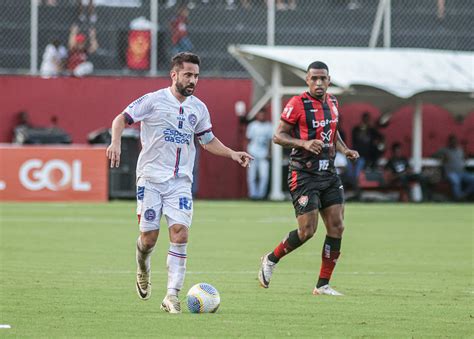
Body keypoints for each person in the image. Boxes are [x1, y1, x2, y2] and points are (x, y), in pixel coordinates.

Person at [106, 52, 253, 314]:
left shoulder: (199, 108)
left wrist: (232, 153)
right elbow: (121, 119)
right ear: (174, 75)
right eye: (188, 74)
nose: (193, 80)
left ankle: (171, 295)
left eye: (196, 75)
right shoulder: (153, 101)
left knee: (180, 233)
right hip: (150, 179)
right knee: (149, 239)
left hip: (180, 183)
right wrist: (115, 141)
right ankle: (142, 265)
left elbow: (207, 141)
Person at [257, 61, 359, 296]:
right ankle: (271, 259)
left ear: (329, 80)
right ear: (307, 80)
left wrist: (345, 150)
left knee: (337, 226)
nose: (319, 83)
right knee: (307, 231)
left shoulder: (333, 102)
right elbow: (278, 136)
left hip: (329, 173)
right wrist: (303, 143)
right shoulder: (297, 104)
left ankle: (322, 285)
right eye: (314, 79)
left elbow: (332, 132)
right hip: (303, 174)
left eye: (323, 78)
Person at [346, 112, 381, 198]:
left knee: (357, 173)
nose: (366, 121)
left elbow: (379, 138)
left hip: (365, 157)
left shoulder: (371, 130)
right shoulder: (356, 129)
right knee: (350, 173)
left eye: (367, 119)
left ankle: (357, 192)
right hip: (355, 155)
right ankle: (354, 189)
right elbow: (353, 142)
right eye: (365, 119)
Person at [433, 134, 474, 201]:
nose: (454, 143)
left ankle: (464, 195)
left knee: (472, 179)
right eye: (452, 141)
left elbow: (464, 158)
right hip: (450, 173)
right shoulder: (444, 150)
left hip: (462, 173)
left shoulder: (460, 150)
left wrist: (465, 158)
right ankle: (458, 197)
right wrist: (441, 157)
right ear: (449, 142)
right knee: (455, 181)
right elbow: (433, 155)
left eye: (455, 141)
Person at [246, 109, 273, 200]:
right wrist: (246, 153)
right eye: (260, 114)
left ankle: (261, 195)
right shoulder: (252, 126)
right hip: (252, 153)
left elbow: (270, 141)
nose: (261, 116)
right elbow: (248, 139)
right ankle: (253, 195)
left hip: (263, 154)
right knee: (252, 175)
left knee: (264, 175)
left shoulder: (269, 126)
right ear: (257, 115)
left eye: (263, 114)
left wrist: (269, 153)